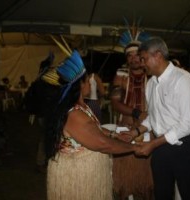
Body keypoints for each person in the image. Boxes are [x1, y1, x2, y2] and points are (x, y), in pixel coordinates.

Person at [43, 43, 139, 200]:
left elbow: (95, 129)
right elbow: (102, 143)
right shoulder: (74, 114)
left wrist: (115, 134)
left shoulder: (82, 106)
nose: (89, 83)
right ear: (80, 85)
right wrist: (134, 148)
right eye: (87, 81)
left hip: (84, 171)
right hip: (78, 176)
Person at [121, 37, 190, 200]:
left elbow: (186, 125)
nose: (142, 63)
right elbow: (153, 117)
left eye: (144, 59)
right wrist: (135, 132)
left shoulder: (182, 80)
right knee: (162, 192)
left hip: (185, 145)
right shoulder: (151, 84)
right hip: (161, 146)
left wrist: (153, 144)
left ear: (157, 55)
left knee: (189, 193)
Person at [110, 34, 153, 199]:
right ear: (127, 58)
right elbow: (115, 103)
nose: (134, 58)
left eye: (137, 54)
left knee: (146, 174)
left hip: (148, 126)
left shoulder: (151, 74)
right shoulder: (121, 74)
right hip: (126, 124)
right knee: (124, 172)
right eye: (130, 55)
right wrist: (135, 113)